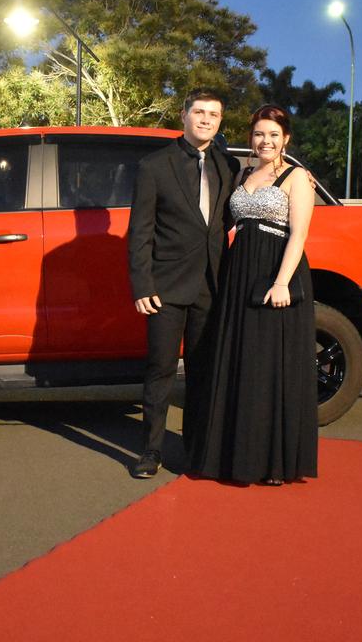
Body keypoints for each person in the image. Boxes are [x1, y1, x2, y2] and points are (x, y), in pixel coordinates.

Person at [191, 104, 318, 485]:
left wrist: (281, 283)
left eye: (274, 135)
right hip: (240, 272)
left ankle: (272, 462)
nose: (266, 141)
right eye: (260, 134)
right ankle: (235, 454)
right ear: (252, 137)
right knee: (242, 361)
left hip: (276, 271)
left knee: (270, 365)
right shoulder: (243, 173)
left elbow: (299, 233)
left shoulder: (298, 178)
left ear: (286, 140)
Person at [126, 90, 240, 478]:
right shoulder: (155, 166)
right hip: (165, 288)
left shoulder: (229, 165)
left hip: (212, 285)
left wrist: (298, 177)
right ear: (184, 115)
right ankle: (151, 450)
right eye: (199, 112)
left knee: (203, 372)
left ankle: (196, 449)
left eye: (214, 114)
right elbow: (139, 232)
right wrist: (142, 286)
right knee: (160, 370)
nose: (206, 120)